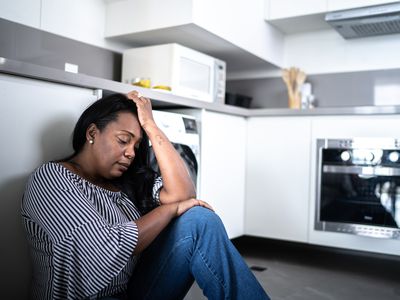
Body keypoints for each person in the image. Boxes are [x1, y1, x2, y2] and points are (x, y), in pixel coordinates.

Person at [21, 91, 270, 300]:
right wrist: (168, 210)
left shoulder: (126, 183)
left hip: (133, 291)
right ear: (92, 133)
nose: (130, 153)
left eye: (136, 146)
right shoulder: (52, 178)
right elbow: (103, 250)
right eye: (123, 140)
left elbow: (185, 195)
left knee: (200, 220)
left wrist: (151, 126)